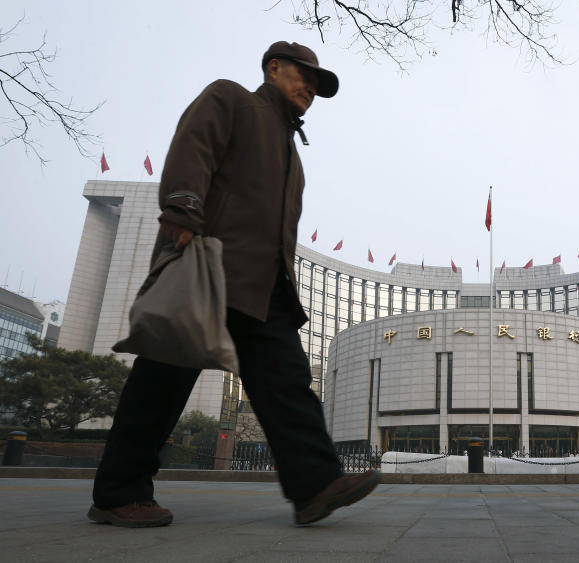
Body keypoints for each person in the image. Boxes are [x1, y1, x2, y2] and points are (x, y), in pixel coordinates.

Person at [88, 41, 379, 528]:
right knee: (161, 381)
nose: (310, 88)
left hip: (265, 288)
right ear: (274, 67)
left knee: (289, 384)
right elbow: (193, 146)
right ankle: (118, 493)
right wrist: (182, 208)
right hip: (210, 268)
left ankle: (314, 486)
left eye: (317, 84)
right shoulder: (232, 100)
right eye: (304, 75)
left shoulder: (291, 153)